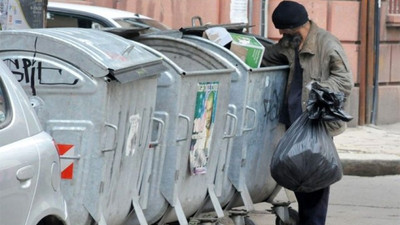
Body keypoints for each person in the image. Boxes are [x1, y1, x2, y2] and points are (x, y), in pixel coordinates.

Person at [263, 1, 353, 225]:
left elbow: (344, 80)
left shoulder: (326, 43)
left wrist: (316, 90)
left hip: (316, 124)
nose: (280, 34)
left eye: (282, 29)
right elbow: (267, 57)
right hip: (295, 123)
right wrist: (234, 47)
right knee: (299, 177)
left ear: (295, 26)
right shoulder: (290, 43)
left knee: (315, 180)